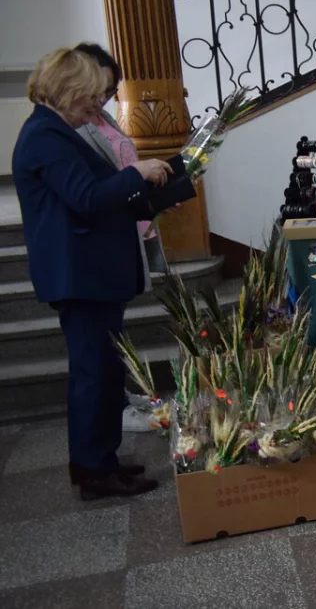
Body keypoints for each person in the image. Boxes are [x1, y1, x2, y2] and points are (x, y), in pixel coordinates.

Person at [13, 48, 174, 499]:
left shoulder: (58, 132)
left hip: (91, 271)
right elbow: (86, 197)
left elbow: (100, 195)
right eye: (89, 96)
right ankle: (93, 471)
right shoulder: (45, 136)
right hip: (78, 274)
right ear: (65, 90)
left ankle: (103, 459)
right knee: (93, 374)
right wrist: (136, 173)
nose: (95, 106)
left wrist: (152, 197)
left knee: (105, 370)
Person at [73, 43, 168, 433]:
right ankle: (113, 407)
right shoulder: (69, 127)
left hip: (124, 222)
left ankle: (121, 396)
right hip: (100, 236)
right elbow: (93, 190)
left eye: (110, 90)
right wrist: (137, 179)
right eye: (102, 88)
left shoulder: (102, 117)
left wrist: (157, 191)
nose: (105, 98)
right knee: (98, 342)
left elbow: (121, 162)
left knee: (113, 328)